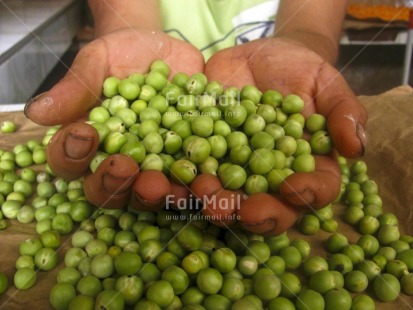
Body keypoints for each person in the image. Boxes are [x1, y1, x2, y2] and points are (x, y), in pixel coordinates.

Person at [24, 0, 367, 236]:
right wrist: (126, 33)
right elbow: (124, 12)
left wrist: (303, 45)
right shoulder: (157, 114)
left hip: (264, 73)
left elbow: (312, 23)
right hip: (168, 69)